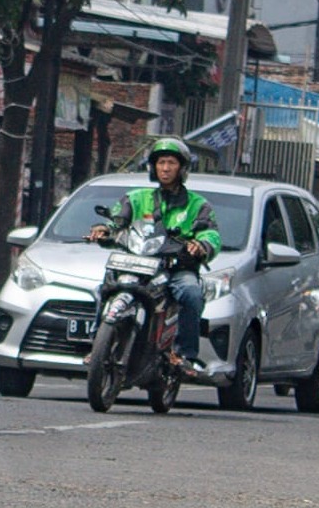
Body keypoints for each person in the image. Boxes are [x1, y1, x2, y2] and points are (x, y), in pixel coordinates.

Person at [87, 138, 221, 376]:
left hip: (176, 269)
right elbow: (116, 220)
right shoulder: (136, 198)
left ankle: (184, 354)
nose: (165, 168)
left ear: (182, 168)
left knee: (191, 293)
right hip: (139, 265)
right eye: (161, 163)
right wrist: (103, 230)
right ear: (153, 167)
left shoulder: (198, 205)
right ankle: (96, 345)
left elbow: (210, 233)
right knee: (104, 289)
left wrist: (201, 245)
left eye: (171, 163)